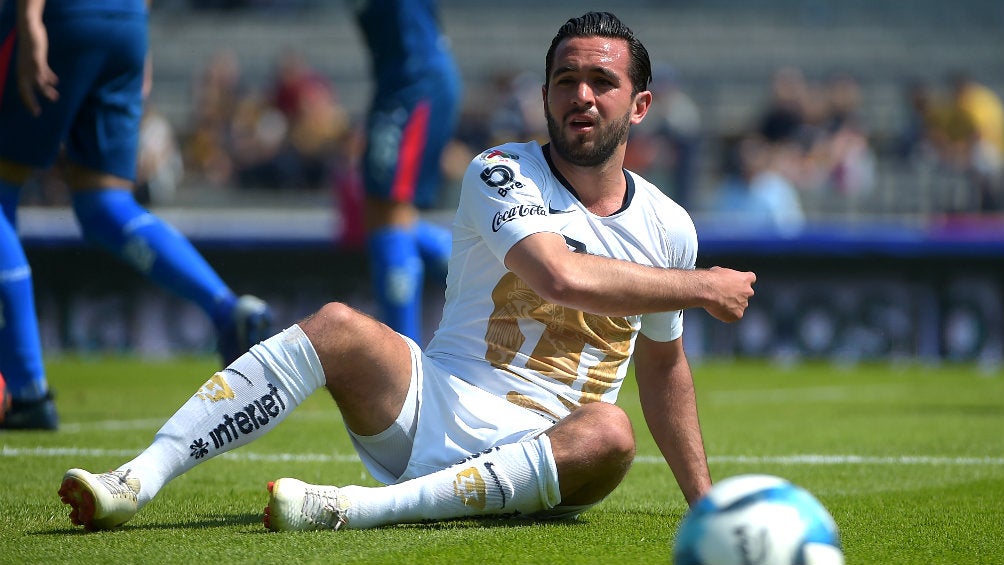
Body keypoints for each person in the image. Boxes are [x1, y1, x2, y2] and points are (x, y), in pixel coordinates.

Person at [57, 11, 757, 532]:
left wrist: (705, 504)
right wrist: (702, 286)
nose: (582, 96)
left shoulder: (669, 227)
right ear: (544, 95)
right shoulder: (502, 171)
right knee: (336, 325)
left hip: (550, 452)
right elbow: (557, 276)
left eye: (602, 82)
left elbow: (663, 369)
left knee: (611, 431)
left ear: (639, 105)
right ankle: (134, 479)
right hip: (433, 408)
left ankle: (360, 509)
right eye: (566, 80)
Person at [0, 0, 273, 430]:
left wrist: (30, 18)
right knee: (104, 203)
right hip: (126, 22)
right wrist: (138, 28)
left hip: (60, 15)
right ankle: (225, 309)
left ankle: (27, 391)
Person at [352, 0, 463, 343]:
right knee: (383, 214)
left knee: (389, 212)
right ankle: (487, 268)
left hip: (412, 81)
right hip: (404, 79)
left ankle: (402, 355)